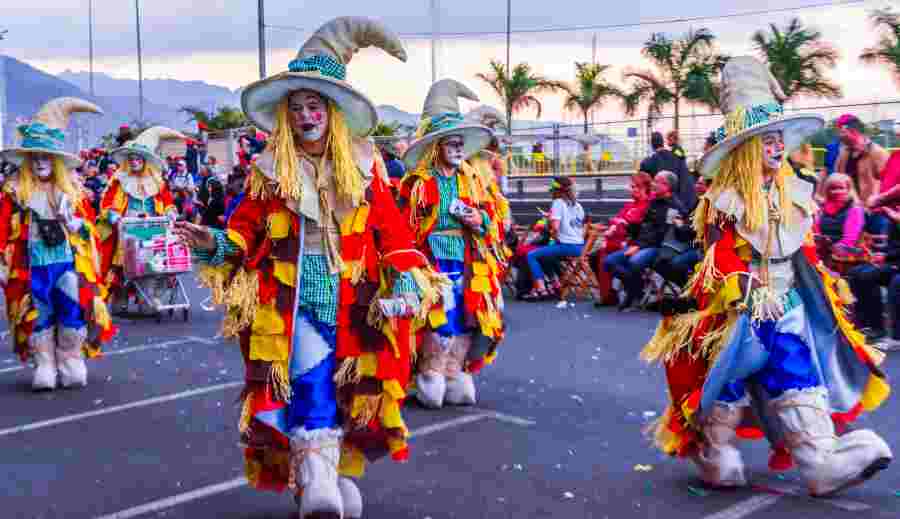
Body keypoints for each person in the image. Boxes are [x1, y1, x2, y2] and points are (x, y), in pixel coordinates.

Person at [173, 18, 444, 519]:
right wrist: (212, 241)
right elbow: (244, 233)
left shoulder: (368, 166)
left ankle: (330, 474)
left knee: (354, 392)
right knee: (311, 383)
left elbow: (392, 232)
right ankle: (318, 479)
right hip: (291, 301)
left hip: (358, 301)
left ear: (333, 112)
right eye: (295, 108)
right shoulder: (269, 170)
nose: (304, 115)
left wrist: (408, 275)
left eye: (314, 105)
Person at [642, 57, 891, 497]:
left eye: (779, 139)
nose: (776, 148)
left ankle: (818, 461)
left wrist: (823, 282)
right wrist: (746, 290)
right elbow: (719, 256)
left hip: (787, 302)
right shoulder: (723, 199)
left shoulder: (793, 193)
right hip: (736, 310)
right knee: (726, 383)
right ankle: (713, 451)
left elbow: (802, 250)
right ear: (746, 149)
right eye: (766, 141)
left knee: (798, 374)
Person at [399, 79, 505, 410]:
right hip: (430, 262)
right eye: (452, 144)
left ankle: (453, 369)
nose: (459, 151)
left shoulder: (473, 181)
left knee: (465, 316)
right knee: (435, 316)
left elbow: (492, 222)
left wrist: (481, 221)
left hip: (467, 260)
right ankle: (428, 371)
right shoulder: (419, 183)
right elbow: (404, 229)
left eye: (462, 145)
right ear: (437, 148)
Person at [0, 97, 114, 390]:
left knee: (71, 309)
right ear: (28, 160)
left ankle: (70, 360)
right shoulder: (14, 193)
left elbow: (89, 230)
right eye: (35, 156)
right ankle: (46, 365)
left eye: (46, 156)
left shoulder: (73, 193)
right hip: (32, 267)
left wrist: (72, 222)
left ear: (56, 161)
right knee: (38, 314)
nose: (40, 162)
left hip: (66, 264)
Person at [98, 127, 183, 314]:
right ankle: (120, 299)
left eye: (138, 159)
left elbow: (167, 202)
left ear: (144, 161)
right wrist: (115, 217)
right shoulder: (119, 180)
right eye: (131, 159)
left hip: (151, 227)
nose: (134, 162)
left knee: (150, 264)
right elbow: (106, 204)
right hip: (126, 228)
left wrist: (170, 213)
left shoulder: (157, 182)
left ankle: (148, 299)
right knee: (122, 266)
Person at [605, 171, 684, 310]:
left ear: (667, 186)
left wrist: (639, 246)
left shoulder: (674, 207)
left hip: (658, 247)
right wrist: (628, 226)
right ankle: (636, 289)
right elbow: (644, 226)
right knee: (609, 262)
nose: (653, 184)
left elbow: (662, 233)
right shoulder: (653, 202)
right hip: (641, 244)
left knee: (634, 262)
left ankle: (632, 293)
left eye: (657, 182)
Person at [591, 172, 652, 306]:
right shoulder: (630, 205)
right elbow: (617, 220)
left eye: (634, 187)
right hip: (621, 240)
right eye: (631, 187)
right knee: (594, 257)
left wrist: (618, 224)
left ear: (644, 188)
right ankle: (610, 293)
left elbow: (633, 225)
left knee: (606, 257)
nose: (631, 190)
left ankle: (632, 288)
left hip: (634, 243)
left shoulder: (648, 205)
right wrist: (613, 226)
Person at [846, 204, 900, 351]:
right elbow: (894, 247)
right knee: (858, 273)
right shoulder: (893, 217)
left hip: (896, 266)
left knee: (896, 283)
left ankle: (896, 337)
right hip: (894, 262)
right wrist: (883, 255)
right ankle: (873, 326)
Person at [522, 177, 585, 301]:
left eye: (553, 191)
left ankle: (541, 289)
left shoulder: (558, 203)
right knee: (546, 255)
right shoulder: (578, 206)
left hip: (567, 246)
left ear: (558, 191)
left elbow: (555, 228)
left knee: (531, 255)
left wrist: (549, 222)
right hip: (580, 247)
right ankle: (555, 285)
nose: (551, 194)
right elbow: (574, 225)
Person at [835, 114, 890, 235]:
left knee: (878, 249)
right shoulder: (844, 154)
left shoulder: (878, 153)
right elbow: (839, 179)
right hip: (852, 213)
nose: (839, 136)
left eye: (841, 132)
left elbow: (888, 183)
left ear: (853, 131)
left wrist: (876, 199)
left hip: (876, 214)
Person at [814, 173, 866, 275]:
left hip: (844, 257)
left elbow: (849, 240)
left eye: (841, 188)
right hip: (822, 251)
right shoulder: (821, 209)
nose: (837, 192)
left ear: (848, 190)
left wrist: (829, 249)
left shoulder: (855, 210)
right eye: (832, 188)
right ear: (827, 191)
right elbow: (816, 231)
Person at [640, 131, 697, 210]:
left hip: (665, 205)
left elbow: (643, 184)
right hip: (685, 201)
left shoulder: (647, 162)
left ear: (651, 144)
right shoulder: (676, 157)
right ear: (663, 142)